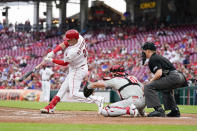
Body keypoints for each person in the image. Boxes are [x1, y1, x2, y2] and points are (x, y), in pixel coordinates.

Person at [40, 29, 104, 114]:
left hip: (77, 70)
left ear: (74, 39)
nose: (67, 41)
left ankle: (98, 100)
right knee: (63, 88)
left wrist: (51, 60)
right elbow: (65, 43)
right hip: (81, 66)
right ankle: (51, 106)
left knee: (74, 94)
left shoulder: (73, 52)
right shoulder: (80, 38)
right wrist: (53, 51)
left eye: (69, 39)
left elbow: (64, 63)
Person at [141, 42, 187, 117]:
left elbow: (159, 73)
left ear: (148, 51)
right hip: (179, 77)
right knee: (165, 89)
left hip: (173, 77)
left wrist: (149, 82)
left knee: (148, 87)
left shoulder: (153, 58)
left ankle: (158, 110)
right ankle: (174, 110)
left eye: (144, 51)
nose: (143, 53)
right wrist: (169, 87)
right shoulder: (158, 57)